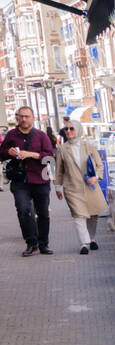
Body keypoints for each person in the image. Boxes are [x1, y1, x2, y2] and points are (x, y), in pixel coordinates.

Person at [3, 106, 56, 256]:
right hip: (20, 181)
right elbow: (1, 154)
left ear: (33, 118)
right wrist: (8, 152)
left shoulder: (41, 135)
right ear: (17, 118)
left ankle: (44, 244)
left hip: (40, 179)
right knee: (23, 210)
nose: (24, 119)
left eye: (27, 116)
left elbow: (50, 157)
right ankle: (31, 243)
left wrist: (32, 154)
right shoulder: (11, 135)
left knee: (43, 213)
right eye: (21, 116)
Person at [53, 119, 107, 255]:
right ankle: (84, 243)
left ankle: (91, 238)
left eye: (72, 129)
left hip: (91, 187)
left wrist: (97, 177)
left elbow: (100, 165)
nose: (68, 131)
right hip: (72, 188)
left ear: (78, 130)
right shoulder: (62, 149)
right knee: (78, 215)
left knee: (93, 215)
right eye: (67, 129)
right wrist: (57, 187)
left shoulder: (89, 146)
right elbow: (59, 170)